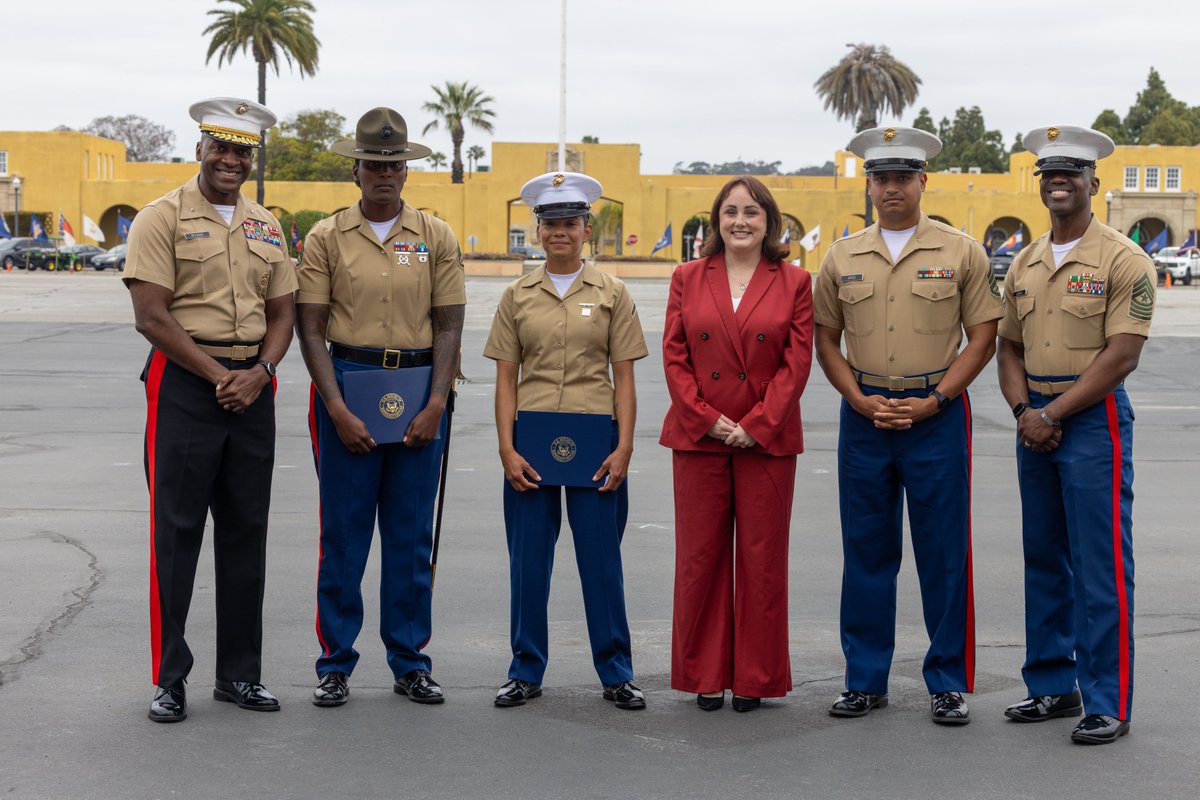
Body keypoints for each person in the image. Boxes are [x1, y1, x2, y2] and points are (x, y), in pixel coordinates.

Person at [812, 126, 1003, 725]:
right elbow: (825, 338)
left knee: (944, 551)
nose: (891, 188)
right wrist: (858, 398)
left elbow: (984, 336)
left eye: (903, 177)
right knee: (866, 550)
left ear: (923, 182)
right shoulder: (842, 256)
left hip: (936, 416)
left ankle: (948, 680)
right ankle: (865, 679)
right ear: (867, 184)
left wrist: (938, 400)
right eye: (880, 178)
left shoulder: (961, 251)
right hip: (864, 415)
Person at [124, 97, 295, 722]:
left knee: (248, 531)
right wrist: (222, 374)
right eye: (219, 146)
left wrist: (262, 372)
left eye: (241, 150)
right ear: (199, 148)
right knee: (176, 533)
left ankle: (239, 676)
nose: (229, 159)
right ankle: (171, 678)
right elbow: (151, 315)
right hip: (186, 386)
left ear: (252, 158)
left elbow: (283, 316)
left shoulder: (268, 226)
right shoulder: (160, 217)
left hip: (254, 385)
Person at [295, 108, 465, 707]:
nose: (385, 174)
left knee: (411, 536)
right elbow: (310, 328)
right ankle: (335, 662)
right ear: (356, 169)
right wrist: (336, 407)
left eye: (395, 164)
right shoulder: (325, 237)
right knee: (343, 536)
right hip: (348, 387)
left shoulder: (435, 235)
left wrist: (438, 400)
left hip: (418, 391)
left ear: (406, 170)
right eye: (375, 163)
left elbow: (448, 325)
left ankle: (409, 660)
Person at [997, 125, 1153, 745]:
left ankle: (1106, 699)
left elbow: (1122, 355)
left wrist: (1052, 413)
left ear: (1094, 183)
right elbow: (1008, 346)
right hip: (1031, 417)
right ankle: (1052, 687)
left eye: (1070, 174)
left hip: (1089, 419)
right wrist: (1022, 413)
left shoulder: (1123, 258)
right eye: (1048, 174)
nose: (1058, 182)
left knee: (1101, 563)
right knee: (1044, 558)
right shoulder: (1025, 263)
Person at [483, 171, 648, 710]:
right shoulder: (516, 295)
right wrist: (507, 449)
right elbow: (507, 378)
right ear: (537, 229)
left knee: (601, 563)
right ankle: (525, 669)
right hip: (530, 442)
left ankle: (616, 671)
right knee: (529, 562)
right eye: (550, 223)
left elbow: (624, 377)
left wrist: (623, 448)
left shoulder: (612, 293)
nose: (560, 232)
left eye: (570, 223)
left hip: (595, 442)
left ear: (586, 229)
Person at [660, 176, 813, 712]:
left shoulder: (794, 280)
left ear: (770, 221)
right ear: (715, 221)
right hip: (700, 437)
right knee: (699, 560)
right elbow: (675, 357)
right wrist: (708, 419)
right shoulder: (686, 276)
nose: (740, 221)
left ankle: (756, 676)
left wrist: (757, 424)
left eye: (751, 212)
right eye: (730, 212)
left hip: (764, 440)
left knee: (762, 561)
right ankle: (703, 674)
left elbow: (797, 364)